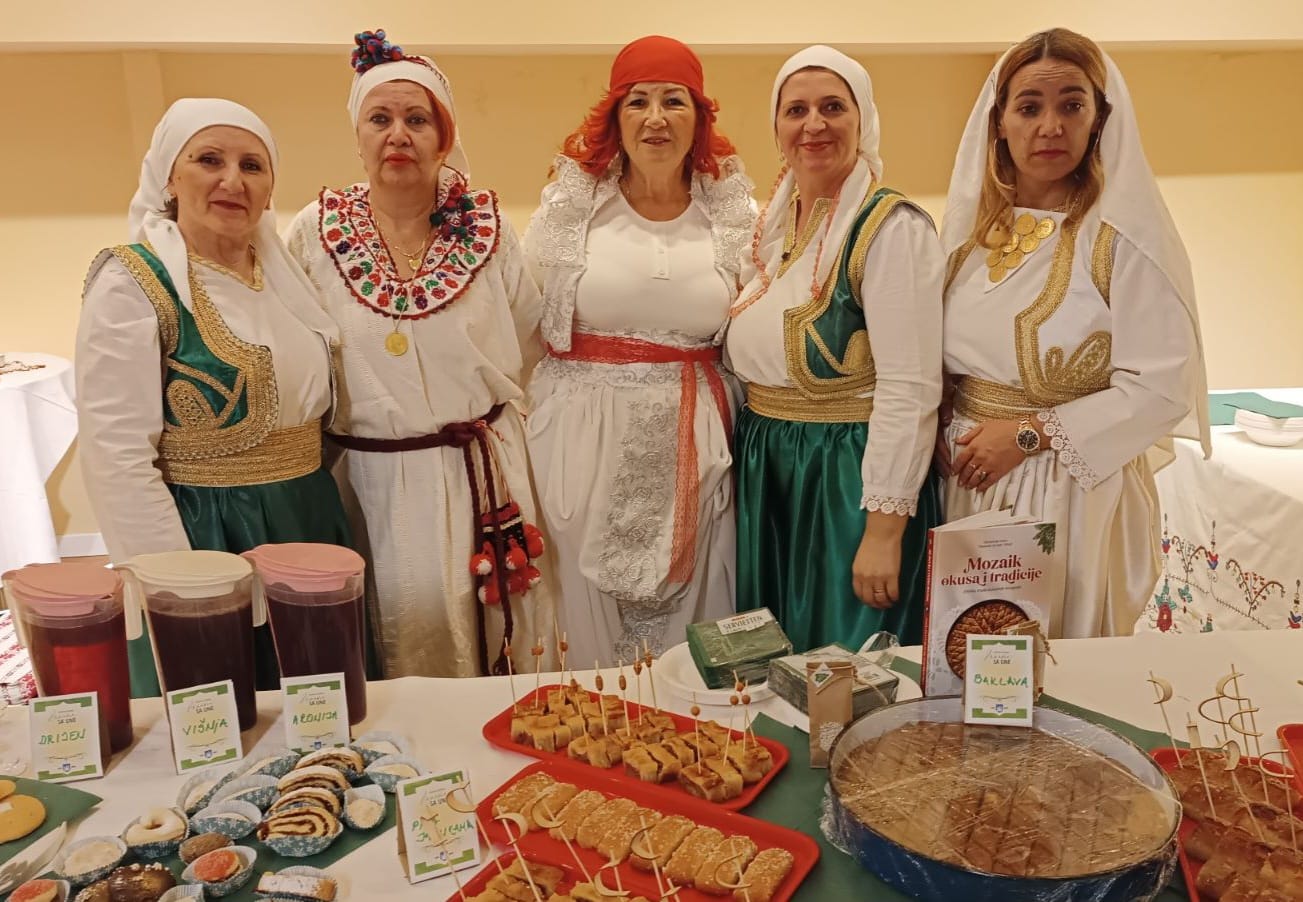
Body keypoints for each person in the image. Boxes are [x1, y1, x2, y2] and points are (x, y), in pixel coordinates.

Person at [287, 30, 555, 677]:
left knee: (504, 647)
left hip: (481, 475)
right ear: (358, 136)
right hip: (369, 483)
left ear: (443, 137)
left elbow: (528, 339)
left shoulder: (489, 229)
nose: (398, 135)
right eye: (380, 119)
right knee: (395, 643)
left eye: (417, 119)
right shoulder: (313, 232)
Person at [938, 28, 1211, 638]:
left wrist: (1028, 435)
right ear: (998, 123)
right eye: (1029, 107)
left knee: (1058, 657)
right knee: (966, 660)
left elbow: (1162, 387)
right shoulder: (968, 239)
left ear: (1099, 119)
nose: (1050, 126)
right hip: (965, 482)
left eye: (1072, 105)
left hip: (1070, 492)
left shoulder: (1123, 241)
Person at [77, 98, 349, 696]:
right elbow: (115, 455)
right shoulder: (132, 282)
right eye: (209, 160)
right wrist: (178, 582)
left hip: (308, 520)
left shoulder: (288, 279)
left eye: (252, 165)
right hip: (208, 535)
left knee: (320, 705)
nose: (232, 180)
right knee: (220, 707)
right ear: (169, 178)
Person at [523, 36, 756, 667]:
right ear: (615, 117)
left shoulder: (730, 213)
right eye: (639, 102)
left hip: (695, 446)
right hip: (581, 446)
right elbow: (523, 321)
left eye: (674, 101)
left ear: (699, 117)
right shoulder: (574, 207)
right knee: (584, 618)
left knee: (690, 621)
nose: (656, 118)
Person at [726, 46, 943, 652]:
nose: (813, 124)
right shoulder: (774, 227)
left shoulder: (891, 227)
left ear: (862, 119)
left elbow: (911, 385)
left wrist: (883, 530)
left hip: (845, 476)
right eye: (796, 110)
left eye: (832, 107)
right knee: (773, 660)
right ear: (776, 127)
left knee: (843, 661)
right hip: (773, 469)